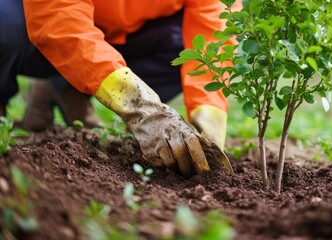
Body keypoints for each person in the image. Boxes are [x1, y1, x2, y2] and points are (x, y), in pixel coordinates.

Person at [0, 0, 240, 177]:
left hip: (131, 33)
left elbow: (214, 26)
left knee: (183, 46)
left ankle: (66, 86)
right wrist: (140, 106)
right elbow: (58, 17)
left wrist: (208, 114)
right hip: (41, 18)